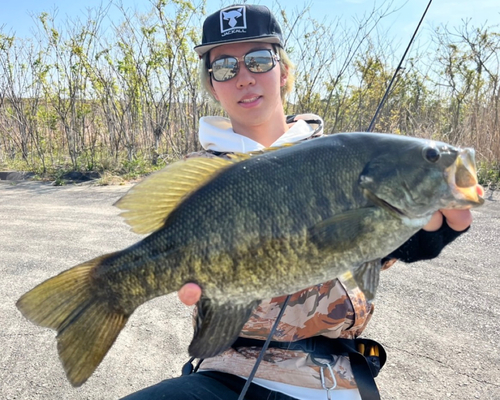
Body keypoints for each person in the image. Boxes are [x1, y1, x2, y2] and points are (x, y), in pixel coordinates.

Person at [122, 4, 473, 400]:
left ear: (283, 71)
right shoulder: (202, 175)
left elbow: (371, 250)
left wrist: (420, 235)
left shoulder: (339, 158)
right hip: (226, 372)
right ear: (212, 84)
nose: (243, 78)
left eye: (258, 60)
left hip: (333, 377)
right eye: (225, 67)